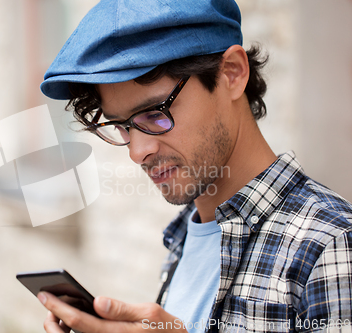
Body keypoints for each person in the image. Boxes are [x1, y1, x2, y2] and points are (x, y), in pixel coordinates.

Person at [36, 0, 352, 332]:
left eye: (156, 114)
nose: (137, 152)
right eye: (121, 126)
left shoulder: (331, 245)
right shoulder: (186, 233)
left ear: (231, 73)